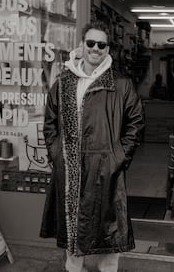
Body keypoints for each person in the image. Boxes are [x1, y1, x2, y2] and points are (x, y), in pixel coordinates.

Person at [40, 21, 145, 272]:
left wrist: (117, 158)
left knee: (108, 235)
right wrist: (58, 154)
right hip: (71, 169)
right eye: (91, 43)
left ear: (107, 49)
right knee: (73, 234)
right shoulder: (64, 82)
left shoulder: (120, 84)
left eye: (101, 44)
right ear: (82, 45)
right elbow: (50, 122)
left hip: (105, 168)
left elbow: (136, 124)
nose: (95, 48)